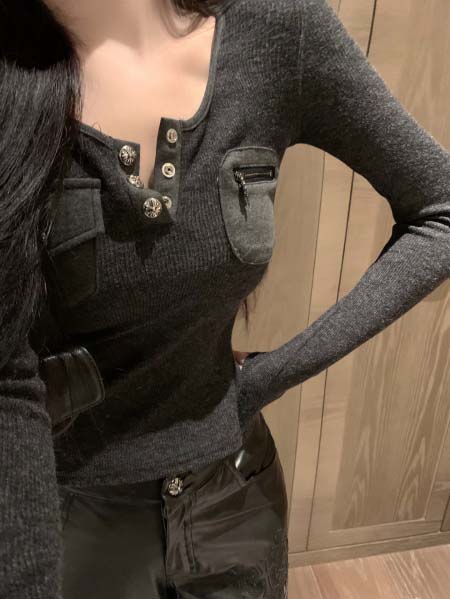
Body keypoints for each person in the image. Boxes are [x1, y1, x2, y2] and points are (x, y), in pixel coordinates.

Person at [1, 0, 450, 597]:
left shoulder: (277, 28)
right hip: (63, 518)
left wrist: (267, 377)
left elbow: (439, 210)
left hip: (236, 492)